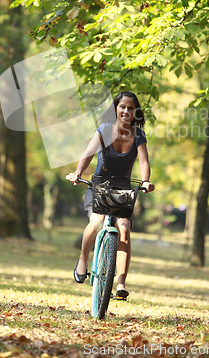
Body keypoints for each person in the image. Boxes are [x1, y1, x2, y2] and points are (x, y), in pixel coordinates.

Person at [67, 91, 154, 299]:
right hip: (98, 187)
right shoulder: (104, 130)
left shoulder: (139, 136)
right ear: (116, 108)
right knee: (96, 222)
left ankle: (121, 284)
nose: (126, 111)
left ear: (135, 111)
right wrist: (78, 173)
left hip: (123, 191)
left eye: (131, 108)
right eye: (122, 106)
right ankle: (82, 260)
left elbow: (143, 162)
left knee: (124, 228)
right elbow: (88, 154)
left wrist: (145, 181)